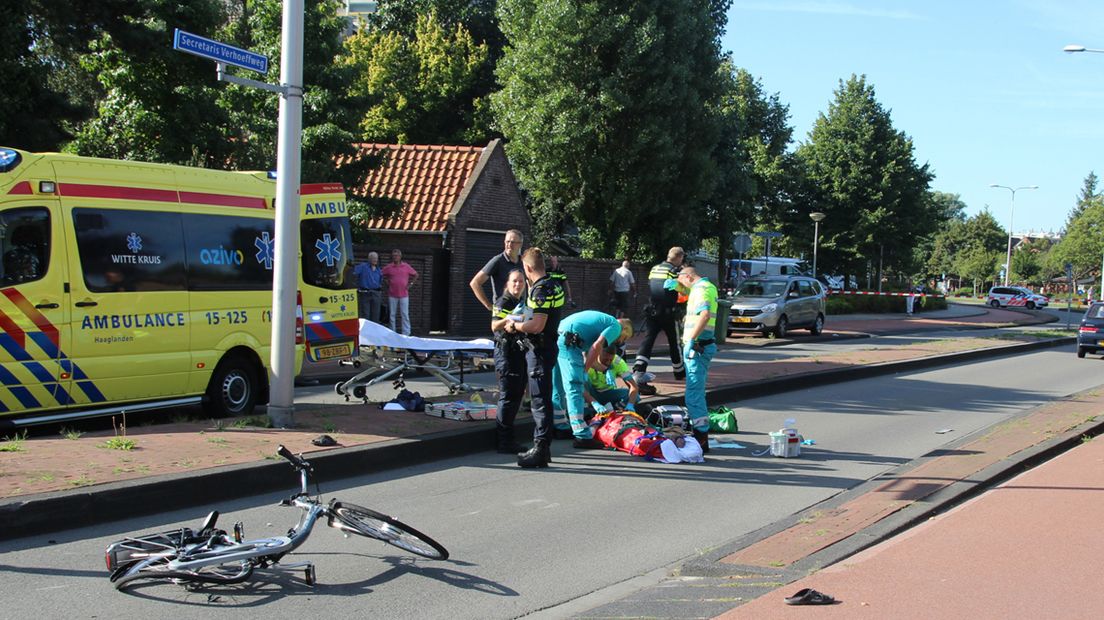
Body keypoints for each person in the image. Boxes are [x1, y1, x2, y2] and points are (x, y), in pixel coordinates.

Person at [503, 248, 565, 468]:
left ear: (528, 268)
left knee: (539, 401)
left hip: (538, 350)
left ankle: (540, 448)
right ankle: (543, 448)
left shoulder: (540, 291)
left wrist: (514, 325)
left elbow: (537, 325)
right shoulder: (554, 284)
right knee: (543, 398)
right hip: (547, 347)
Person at [554, 310, 633, 448]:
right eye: (624, 338)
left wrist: (604, 369)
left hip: (559, 335)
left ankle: (559, 426)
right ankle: (582, 435)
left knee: (557, 385)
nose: (620, 341)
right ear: (625, 331)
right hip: (570, 341)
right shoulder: (615, 327)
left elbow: (589, 353)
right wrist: (584, 370)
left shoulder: (602, 321)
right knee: (575, 387)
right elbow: (596, 347)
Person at [632, 247, 688, 394]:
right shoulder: (674, 271)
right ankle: (680, 372)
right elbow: (681, 290)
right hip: (668, 311)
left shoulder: (655, 268)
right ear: (679, 257)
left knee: (648, 340)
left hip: (652, 310)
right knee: (674, 343)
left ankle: (639, 368)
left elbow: (653, 286)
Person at [677, 266, 718, 454]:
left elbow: (705, 315)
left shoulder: (701, 289)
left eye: (681, 281)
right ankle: (700, 434)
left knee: (693, 394)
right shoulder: (704, 288)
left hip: (698, 348)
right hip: (700, 346)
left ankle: (701, 437)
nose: (681, 286)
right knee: (696, 392)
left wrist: (692, 339)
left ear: (688, 277)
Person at [489, 269, 530, 454]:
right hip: (505, 352)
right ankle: (504, 441)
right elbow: (494, 326)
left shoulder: (521, 301)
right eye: (514, 281)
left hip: (517, 352)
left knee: (516, 395)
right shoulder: (504, 301)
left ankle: (508, 438)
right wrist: (509, 318)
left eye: (521, 282)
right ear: (507, 283)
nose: (517, 285)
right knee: (508, 397)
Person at [470, 229, 524, 312]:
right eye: (507, 241)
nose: (509, 245)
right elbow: (475, 283)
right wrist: (489, 306)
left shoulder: (524, 262)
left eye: (513, 242)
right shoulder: (498, 261)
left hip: (521, 311)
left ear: (520, 244)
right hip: (502, 311)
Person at [585, 347, 640, 412]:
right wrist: (594, 403)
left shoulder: (618, 362)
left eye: (611, 360)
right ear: (598, 354)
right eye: (605, 359)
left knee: (635, 396)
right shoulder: (588, 361)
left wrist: (630, 405)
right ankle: (590, 410)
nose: (608, 362)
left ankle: (615, 410)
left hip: (608, 393)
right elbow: (580, 388)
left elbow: (633, 386)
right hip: (590, 394)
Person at [381, 249, 418, 335]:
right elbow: (380, 274)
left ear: (400, 257)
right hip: (392, 294)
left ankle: (406, 333)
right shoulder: (389, 267)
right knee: (392, 315)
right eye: (393, 256)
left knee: (405, 314)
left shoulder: (406, 266)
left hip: (404, 294)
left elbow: (416, 274)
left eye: (397, 256)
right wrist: (386, 282)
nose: (395, 257)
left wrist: (410, 284)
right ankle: (392, 333)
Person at [353, 251, 383, 323]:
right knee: (365, 314)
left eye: (376, 258)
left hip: (376, 293)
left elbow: (380, 281)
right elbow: (352, 273)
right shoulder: (363, 266)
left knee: (376, 315)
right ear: (369, 259)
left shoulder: (378, 269)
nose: (375, 260)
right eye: (373, 258)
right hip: (365, 293)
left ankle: (374, 332)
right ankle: (365, 332)